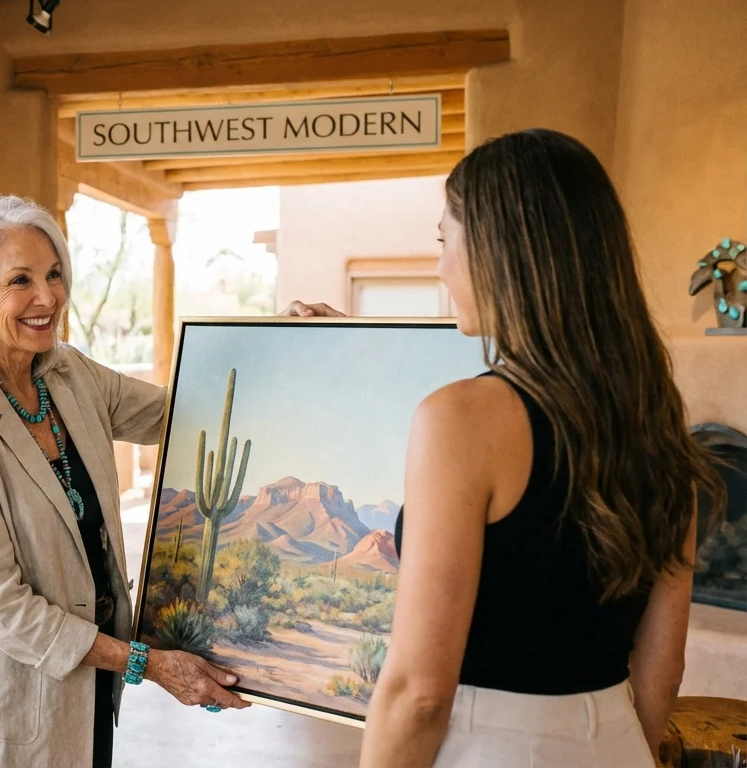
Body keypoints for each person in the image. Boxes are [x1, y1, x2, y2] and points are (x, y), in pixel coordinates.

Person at [283, 129, 724, 766]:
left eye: (443, 240)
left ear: (497, 250)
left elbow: (418, 695)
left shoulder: (461, 420)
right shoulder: (655, 420)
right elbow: (663, 666)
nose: (439, 267)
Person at [0, 193, 250, 768]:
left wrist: (281, 339)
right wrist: (146, 662)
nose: (48, 298)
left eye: (54, 274)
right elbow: (1, 606)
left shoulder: (68, 375)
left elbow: (181, 413)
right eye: (20, 280)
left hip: (84, 709)